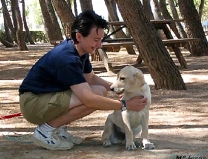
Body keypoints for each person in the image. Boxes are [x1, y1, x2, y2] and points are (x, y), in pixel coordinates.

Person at [19, 10, 147, 151]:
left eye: (101, 40)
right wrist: (125, 105)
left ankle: (58, 130)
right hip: (33, 104)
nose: (100, 45)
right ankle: (45, 131)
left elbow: (90, 78)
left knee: (101, 90)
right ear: (79, 36)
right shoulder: (67, 59)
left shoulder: (79, 51)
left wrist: (115, 88)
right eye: (96, 40)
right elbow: (89, 100)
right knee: (96, 96)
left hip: (43, 98)